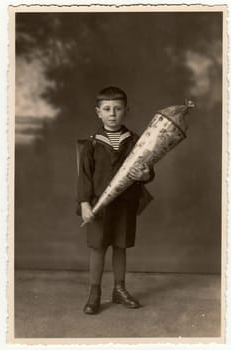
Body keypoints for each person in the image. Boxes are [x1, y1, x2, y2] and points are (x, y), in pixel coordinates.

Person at [77, 86, 155, 315]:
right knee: (98, 248)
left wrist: (145, 175)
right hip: (98, 206)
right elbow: (84, 177)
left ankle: (119, 289)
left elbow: (148, 168)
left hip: (125, 203)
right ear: (98, 112)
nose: (113, 113)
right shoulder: (91, 144)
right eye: (107, 109)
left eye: (118, 109)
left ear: (126, 111)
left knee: (120, 246)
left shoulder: (137, 141)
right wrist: (84, 204)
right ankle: (95, 293)